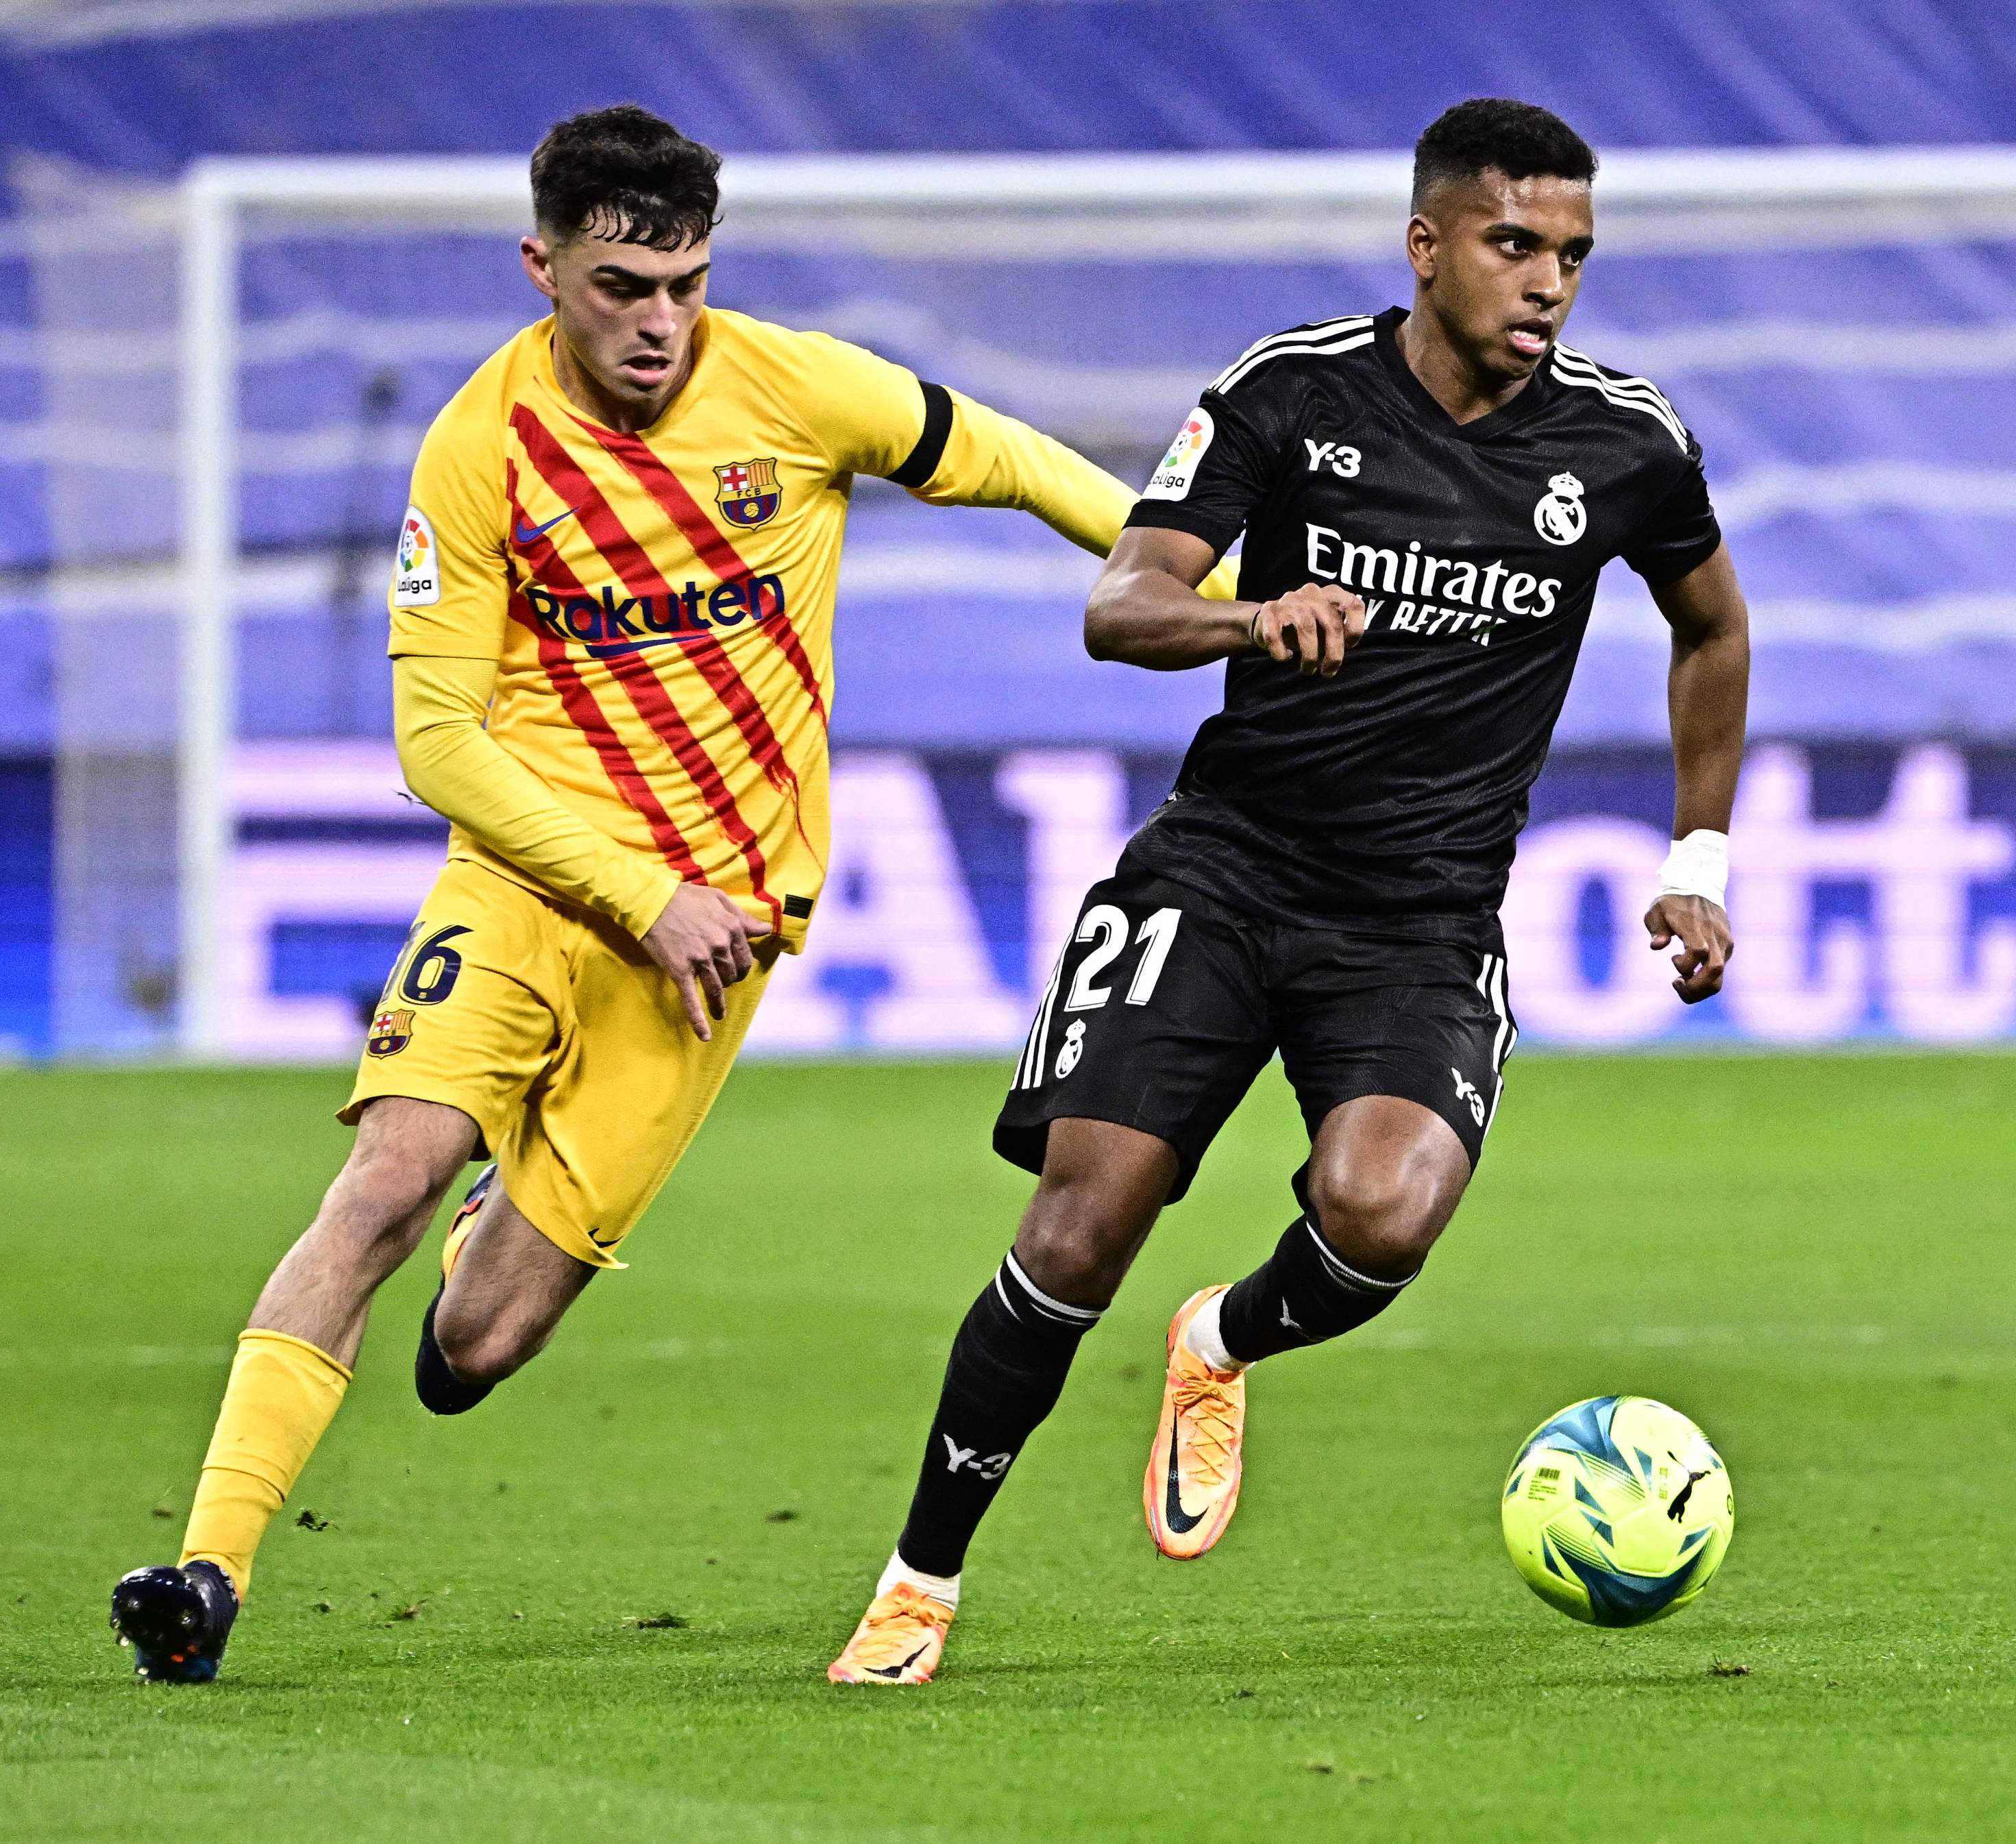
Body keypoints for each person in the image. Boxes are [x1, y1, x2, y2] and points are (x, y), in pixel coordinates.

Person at [109, 103, 1228, 1684]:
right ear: (542, 265)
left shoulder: (798, 386)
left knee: (476, 1346)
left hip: (712, 945)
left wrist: (1226, 599)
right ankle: (204, 1574)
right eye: (620, 286)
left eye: (684, 284)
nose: (656, 322)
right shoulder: (478, 446)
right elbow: (436, 743)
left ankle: (503, 1238)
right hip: (527, 883)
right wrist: (632, 887)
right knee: (380, 1183)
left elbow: (1018, 462)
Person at [825, 97, 1753, 1685]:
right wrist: (1248, 622)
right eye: (1511, 245)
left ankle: (1221, 1340)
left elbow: (1711, 628)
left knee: (1380, 1211)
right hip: (1223, 871)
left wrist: (1696, 862)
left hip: (1418, 921)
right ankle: (917, 1580)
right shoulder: (1288, 390)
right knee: (1083, 1218)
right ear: (1427, 244)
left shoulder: (1624, 443)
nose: (1543, 284)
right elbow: (1122, 604)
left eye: (1571, 258)